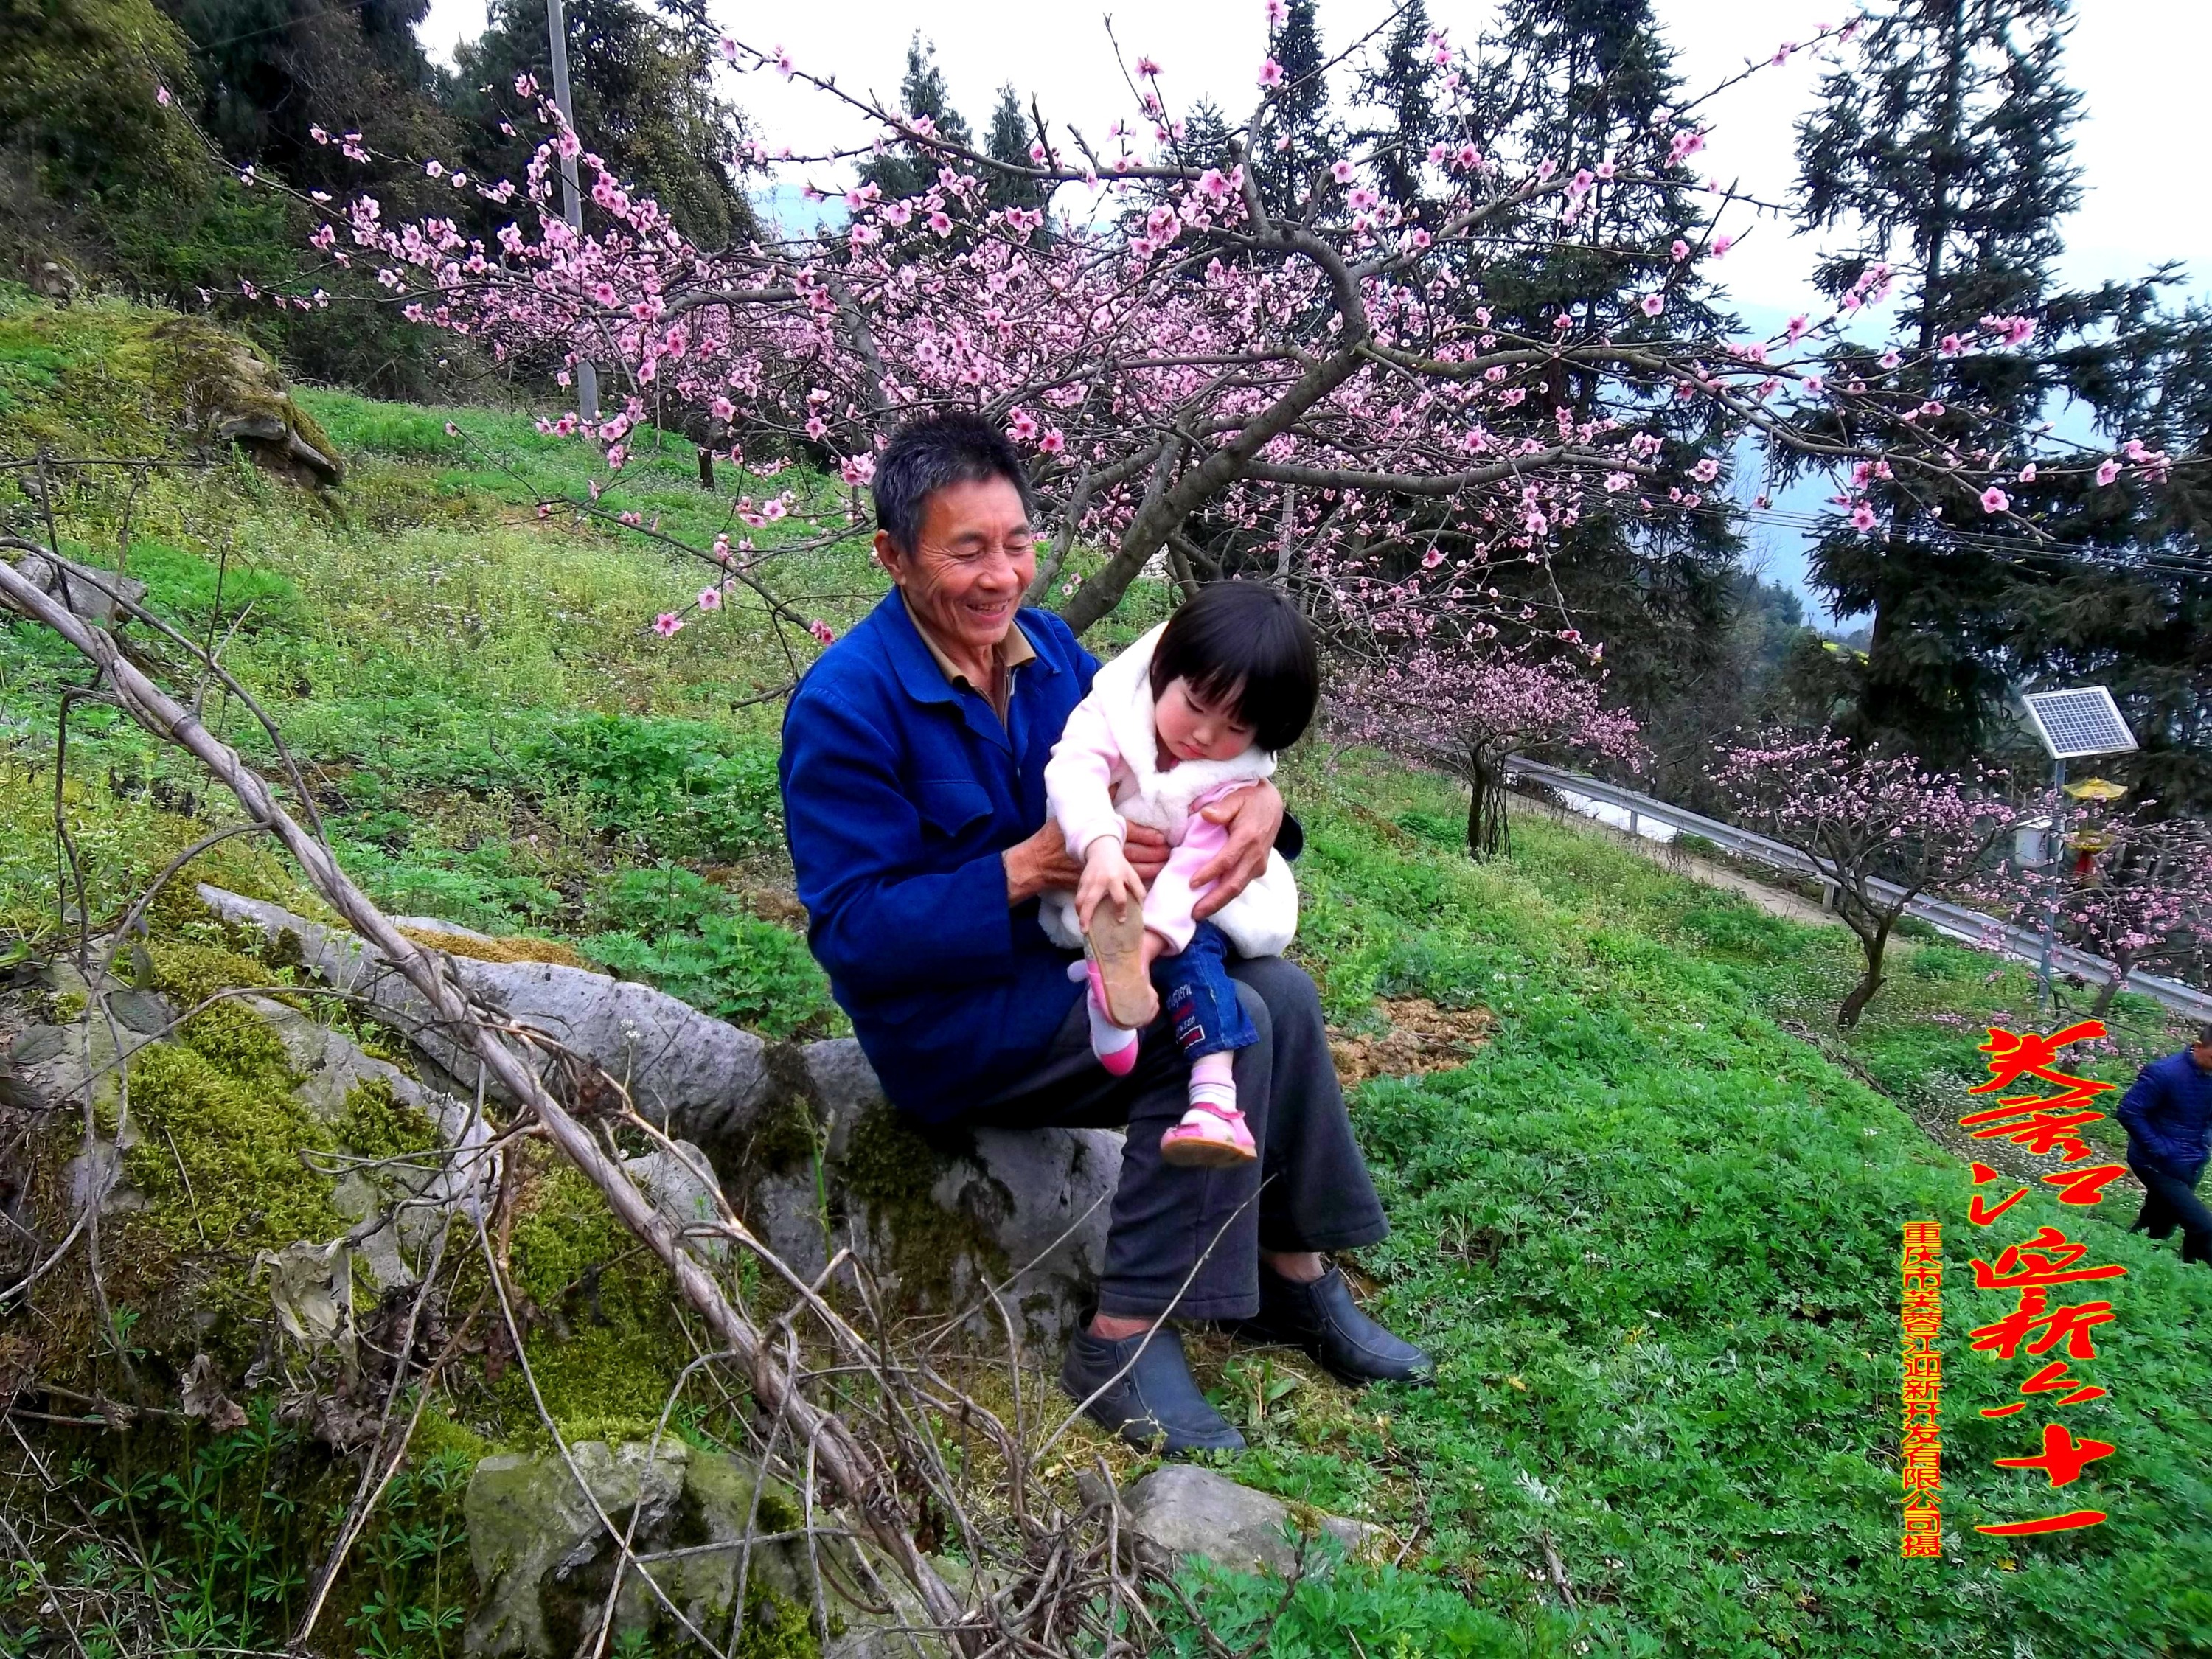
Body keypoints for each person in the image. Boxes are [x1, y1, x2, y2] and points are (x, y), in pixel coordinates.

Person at [778, 411, 1431, 1455]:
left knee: (1284, 996)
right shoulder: (849, 705)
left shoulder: (1049, 653)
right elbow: (854, 934)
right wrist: (1029, 865)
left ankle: (1290, 1272)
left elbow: (1181, 750)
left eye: (1017, 543)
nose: (1002, 576)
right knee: (1203, 1021)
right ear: (894, 557)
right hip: (955, 1025)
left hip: (1076, 963)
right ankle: (1122, 1341)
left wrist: (1266, 804)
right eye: (967, 551)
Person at [1043, 583, 1315, 1168]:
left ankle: (1213, 1095)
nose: (1204, 736)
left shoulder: (1229, 778)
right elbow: (1075, 769)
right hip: (1095, 878)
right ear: (1162, 670)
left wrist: (1149, 943)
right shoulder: (1115, 710)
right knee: (1228, 982)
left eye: (1235, 728)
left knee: (1195, 961)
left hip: (1183, 903)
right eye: (1193, 705)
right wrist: (1101, 845)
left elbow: (1197, 872)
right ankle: (1120, 1001)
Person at [2116, 1023, 2212, 1267]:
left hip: (2192, 1160)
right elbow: (2129, 1111)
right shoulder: (2165, 1073)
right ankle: (2200, 1274)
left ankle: (2125, 1263)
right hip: (2157, 1163)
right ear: (2198, 1046)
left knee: (2158, 1224)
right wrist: (2159, 1148)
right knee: (2203, 1226)